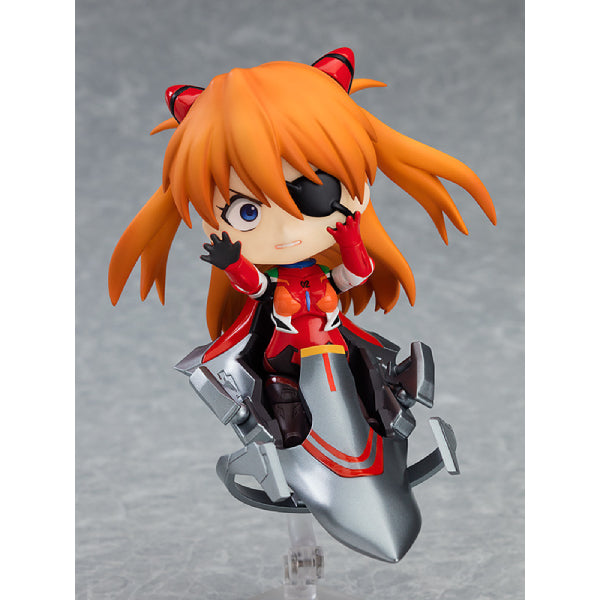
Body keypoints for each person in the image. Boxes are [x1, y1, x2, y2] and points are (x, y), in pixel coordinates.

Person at [109, 47, 495, 446]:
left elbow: (357, 273)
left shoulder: (324, 276)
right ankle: (281, 434)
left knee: (367, 367)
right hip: (285, 356)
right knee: (281, 393)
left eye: (317, 192)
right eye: (247, 211)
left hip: (334, 343)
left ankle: (390, 403)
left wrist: (350, 240)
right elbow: (257, 288)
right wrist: (233, 263)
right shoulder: (276, 283)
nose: (286, 228)